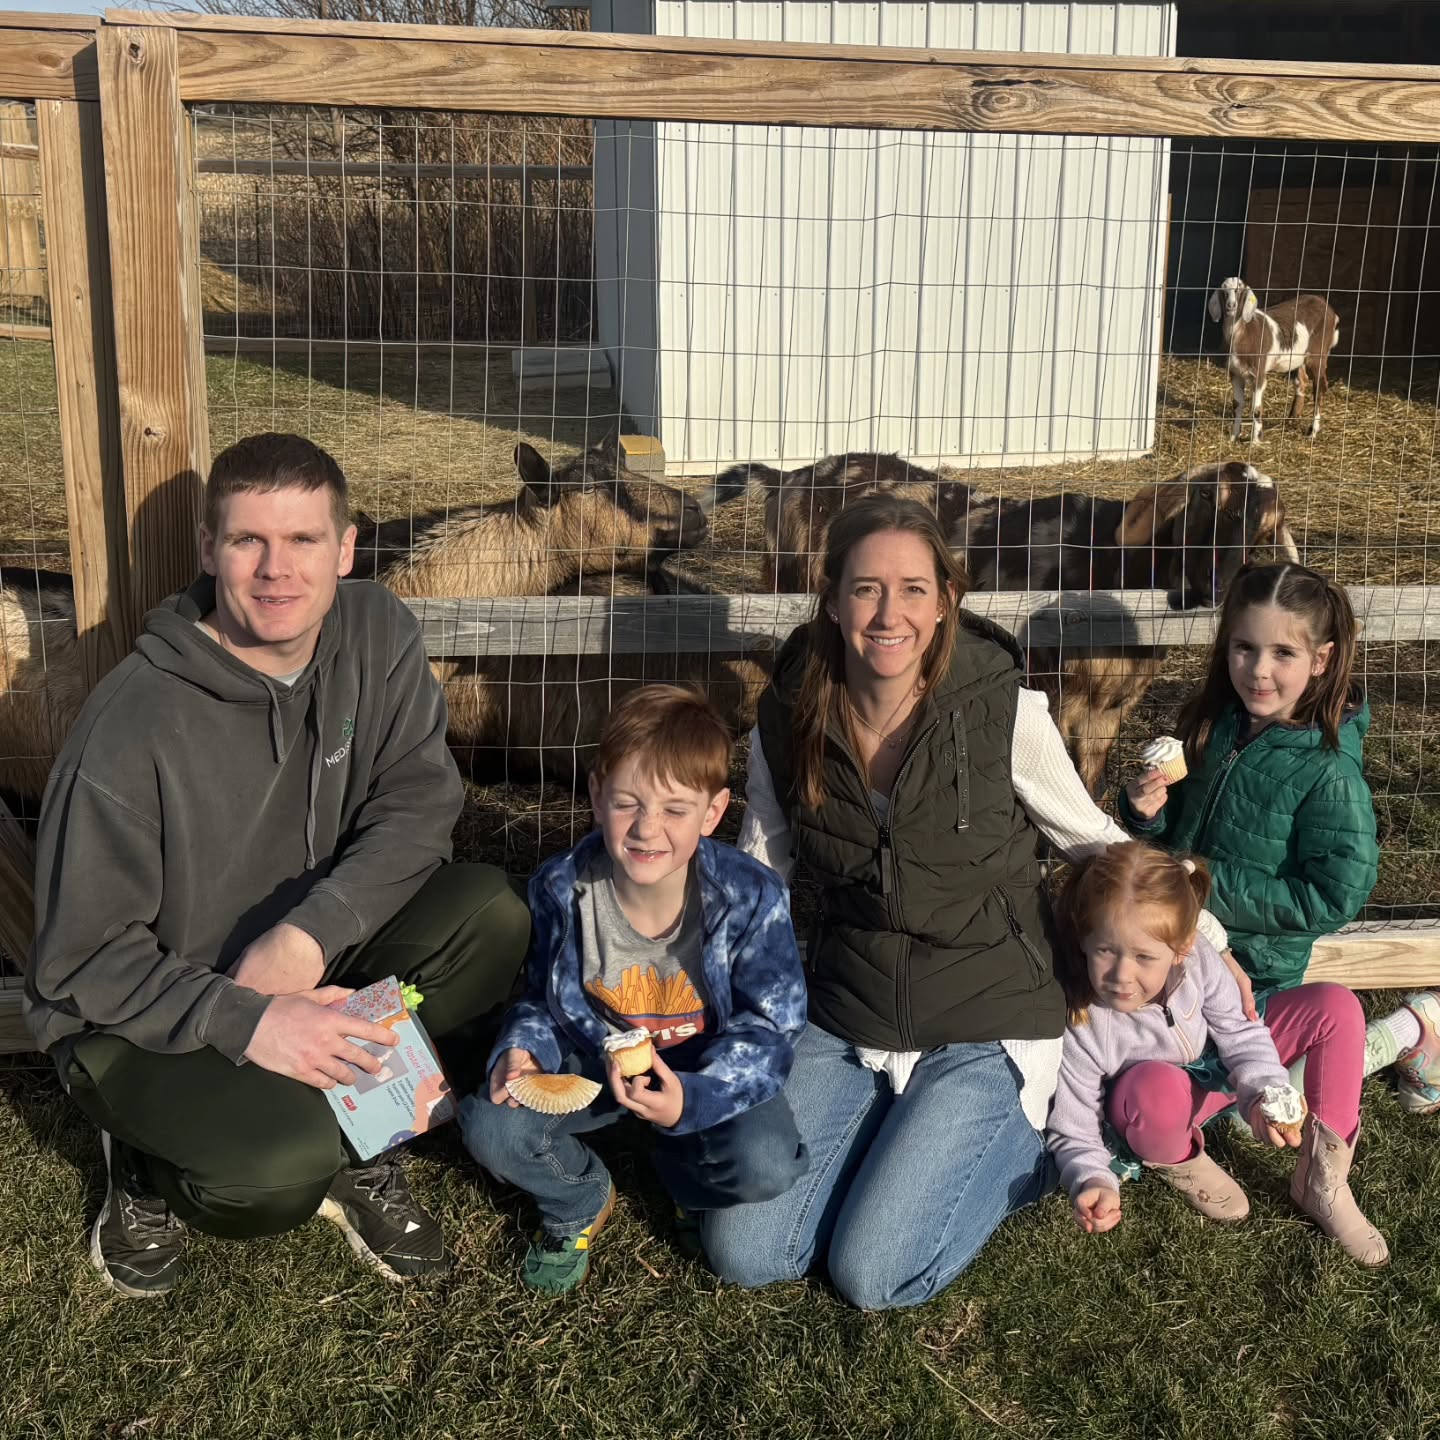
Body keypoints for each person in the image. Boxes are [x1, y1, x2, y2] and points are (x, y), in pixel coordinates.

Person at [24, 432, 531, 1298]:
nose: (276, 569)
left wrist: (311, 933)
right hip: (142, 1012)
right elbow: (80, 962)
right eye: (248, 540)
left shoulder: (375, 632)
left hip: (305, 960)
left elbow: (418, 804)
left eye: (302, 540)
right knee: (272, 1178)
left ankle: (358, 1122)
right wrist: (250, 1021)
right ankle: (142, 1164)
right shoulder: (129, 730)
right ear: (207, 550)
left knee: (488, 913)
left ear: (345, 548)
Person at [701, 493, 1231, 1311]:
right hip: (852, 1010)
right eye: (868, 588)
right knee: (748, 1249)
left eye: (914, 588)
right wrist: (709, 972)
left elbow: (1088, 834)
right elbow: (762, 861)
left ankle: (1024, 1153)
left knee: (871, 1274)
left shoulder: (1002, 711)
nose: (890, 612)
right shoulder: (787, 714)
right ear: (834, 598)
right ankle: (896, 1138)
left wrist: (1210, 932)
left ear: (947, 599)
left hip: (988, 1015)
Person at [459, 684, 808, 1296]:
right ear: (597, 795)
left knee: (767, 1162)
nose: (648, 828)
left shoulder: (753, 896)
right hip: (591, 1059)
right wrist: (524, 1051)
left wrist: (693, 1100)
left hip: (702, 1065)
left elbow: (772, 1027)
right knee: (490, 1127)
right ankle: (579, 1197)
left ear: (714, 811)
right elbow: (538, 996)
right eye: (628, 802)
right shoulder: (561, 889)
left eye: (676, 809)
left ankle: (684, 1180)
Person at [1119, 564, 1437, 1114]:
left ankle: (1409, 1030)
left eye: (1283, 654)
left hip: (1254, 973)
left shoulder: (1328, 770)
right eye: (1244, 647)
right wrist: (1145, 815)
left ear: (1321, 660)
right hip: (1180, 947)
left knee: (1242, 1114)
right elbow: (1177, 837)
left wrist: (1204, 885)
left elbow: (1334, 897)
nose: (1258, 671)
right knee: (1129, 1065)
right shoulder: (1213, 725)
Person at [1048, 843, 1386, 1264]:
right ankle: (1181, 1159)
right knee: (1154, 1087)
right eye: (1105, 951)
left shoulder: (1201, 961)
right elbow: (1073, 1120)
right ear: (1083, 939)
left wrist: (1265, 1092)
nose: (1121, 975)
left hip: (1213, 1072)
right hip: (1154, 1108)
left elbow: (1240, 1032)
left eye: (1143, 957)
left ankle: (1325, 1182)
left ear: (1182, 948)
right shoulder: (1084, 1017)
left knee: (1334, 1007)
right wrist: (1092, 1178)